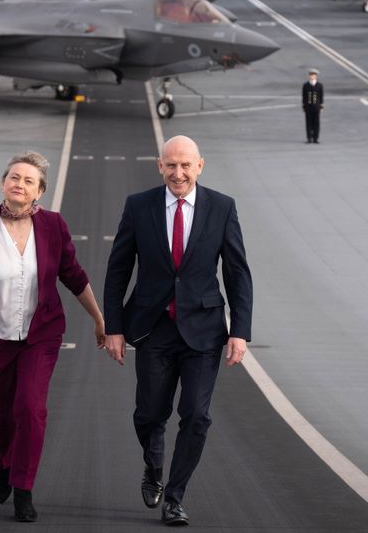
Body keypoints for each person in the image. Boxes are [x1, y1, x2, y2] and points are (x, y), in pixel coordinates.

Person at [103, 135, 252, 527]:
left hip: (204, 331)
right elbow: (118, 270)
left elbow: (237, 272)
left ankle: (175, 496)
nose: (178, 172)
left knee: (197, 416)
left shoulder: (222, 207)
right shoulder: (139, 206)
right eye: (171, 165)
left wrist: (240, 331)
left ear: (200, 166)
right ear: (159, 166)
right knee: (149, 414)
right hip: (153, 329)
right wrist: (113, 327)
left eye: (186, 165)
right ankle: (153, 466)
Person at [0, 152, 106, 523]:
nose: (19, 184)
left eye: (28, 181)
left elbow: (73, 274)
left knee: (31, 409)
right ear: (4, 183)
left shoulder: (52, 226)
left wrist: (99, 319)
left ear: (40, 192)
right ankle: (4, 465)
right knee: (2, 414)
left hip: (41, 335)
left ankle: (23, 488)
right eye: (14, 177)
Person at [302, 68, 324, 144]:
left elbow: (321, 96)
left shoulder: (319, 85)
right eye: (311, 75)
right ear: (309, 76)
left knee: (316, 123)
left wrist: (321, 106)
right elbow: (304, 96)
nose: (312, 77)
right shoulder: (306, 85)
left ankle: (315, 138)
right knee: (308, 122)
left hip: (316, 107)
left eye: (313, 75)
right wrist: (304, 106)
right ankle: (309, 138)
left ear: (316, 76)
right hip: (308, 107)